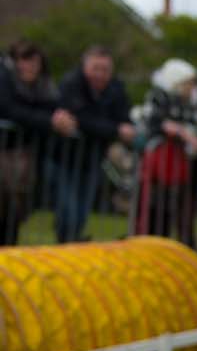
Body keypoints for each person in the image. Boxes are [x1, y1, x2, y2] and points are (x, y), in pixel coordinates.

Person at [53, 46, 136, 243]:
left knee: (82, 211)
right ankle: (65, 245)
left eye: (105, 69)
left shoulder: (116, 88)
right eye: (95, 68)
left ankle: (71, 246)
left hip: (92, 159)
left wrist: (125, 128)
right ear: (84, 66)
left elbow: (124, 117)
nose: (100, 74)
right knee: (68, 210)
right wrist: (116, 130)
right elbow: (81, 118)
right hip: (62, 158)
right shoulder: (71, 83)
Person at [0, 39, 69, 245]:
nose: (27, 66)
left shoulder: (45, 86)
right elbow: (8, 109)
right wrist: (48, 120)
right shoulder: (4, 80)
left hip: (27, 157)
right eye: (22, 60)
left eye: (33, 61)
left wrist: (58, 117)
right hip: (5, 153)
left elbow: (54, 107)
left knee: (16, 211)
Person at [134, 59, 197, 247]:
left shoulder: (191, 103)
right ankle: (144, 247)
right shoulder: (158, 97)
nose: (191, 88)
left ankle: (168, 250)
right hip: (157, 166)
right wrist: (179, 131)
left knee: (176, 211)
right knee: (151, 208)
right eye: (187, 83)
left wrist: (192, 138)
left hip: (179, 166)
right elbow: (154, 122)